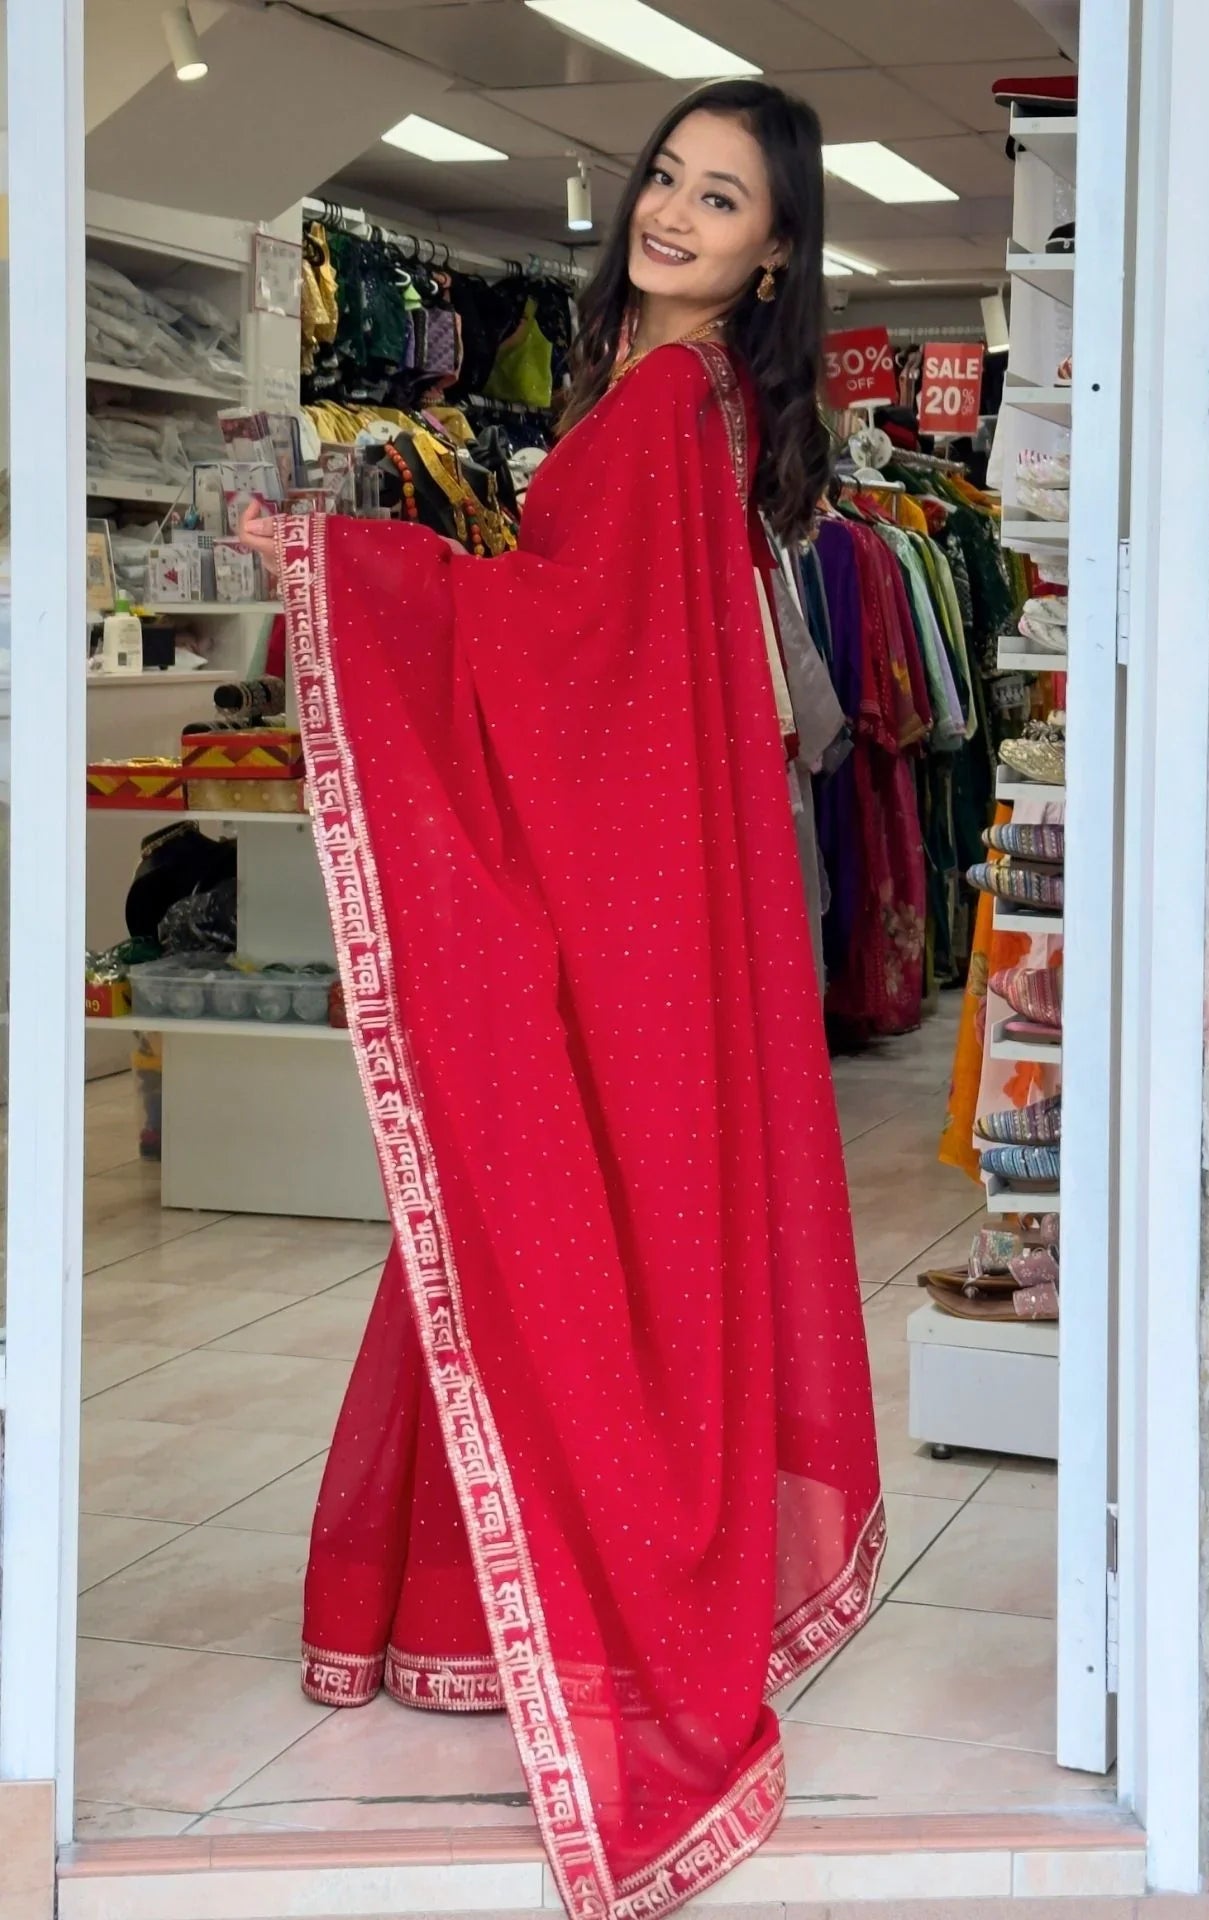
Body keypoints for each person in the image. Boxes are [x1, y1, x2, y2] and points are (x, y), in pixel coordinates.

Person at [239, 78, 883, 1920]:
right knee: (532, 1219)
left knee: (551, 1219)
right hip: (645, 876)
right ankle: (455, 1609)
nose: (674, 211)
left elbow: (567, 643)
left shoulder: (672, 404)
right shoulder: (672, 391)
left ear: (777, 255)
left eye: (723, 198)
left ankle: (586, 1602)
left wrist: (351, 565)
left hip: (619, 886)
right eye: (667, 176)